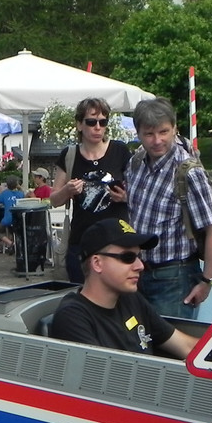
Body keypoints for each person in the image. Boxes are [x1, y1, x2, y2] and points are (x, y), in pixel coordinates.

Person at [124, 97, 212, 319]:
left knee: (171, 340)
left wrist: (207, 281)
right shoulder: (136, 162)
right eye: (149, 134)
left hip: (175, 278)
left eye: (164, 132)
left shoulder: (188, 173)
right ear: (138, 133)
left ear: (175, 129)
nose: (157, 140)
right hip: (137, 273)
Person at [51, 218, 197, 358]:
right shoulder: (73, 316)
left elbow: (186, 346)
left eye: (139, 256)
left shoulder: (131, 299)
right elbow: (101, 372)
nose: (140, 266)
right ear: (97, 263)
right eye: (128, 257)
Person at [50, 98, 130, 284]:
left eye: (103, 122)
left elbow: (139, 192)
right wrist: (67, 190)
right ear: (79, 124)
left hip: (116, 240)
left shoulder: (120, 151)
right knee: (81, 293)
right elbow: (54, 200)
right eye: (91, 122)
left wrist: (125, 197)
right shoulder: (70, 155)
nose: (98, 128)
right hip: (82, 242)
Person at [0, 178, 24, 253]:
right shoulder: (20, 194)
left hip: (7, 220)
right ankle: (15, 244)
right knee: (13, 230)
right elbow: (24, 194)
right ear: (17, 184)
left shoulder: (5, 193)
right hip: (18, 219)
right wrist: (19, 187)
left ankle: (10, 243)